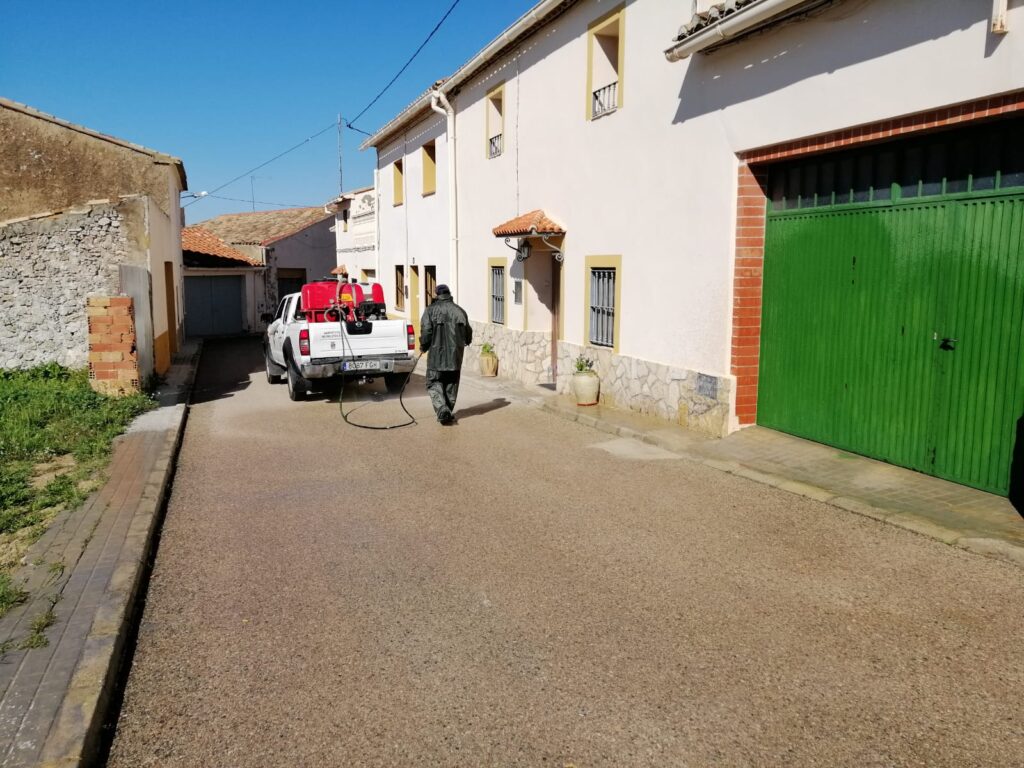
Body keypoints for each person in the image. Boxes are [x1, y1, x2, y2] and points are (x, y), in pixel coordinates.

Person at [419, 284, 472, 424]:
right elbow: (468, 332)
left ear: (436, 294)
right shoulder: (460, 311)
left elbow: (426, 331)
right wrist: (467, 341)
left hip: (436, 358)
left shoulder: (430, 310)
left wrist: (423, 346)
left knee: (433, 383)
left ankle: (442, 409)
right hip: (455, 358)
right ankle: (447, 411)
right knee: (451, 384)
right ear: (449, 294)